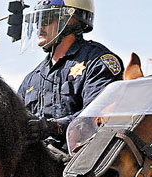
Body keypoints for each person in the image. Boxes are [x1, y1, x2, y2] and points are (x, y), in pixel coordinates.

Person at [18, 0, 122, 151]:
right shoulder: (32, 78)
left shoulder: (98, 62)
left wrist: (54, 127)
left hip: (78, 160)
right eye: (37, 22)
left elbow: (97, 116)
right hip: (35, 162)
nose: (40, 27)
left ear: (70, 20)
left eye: (46, 19)